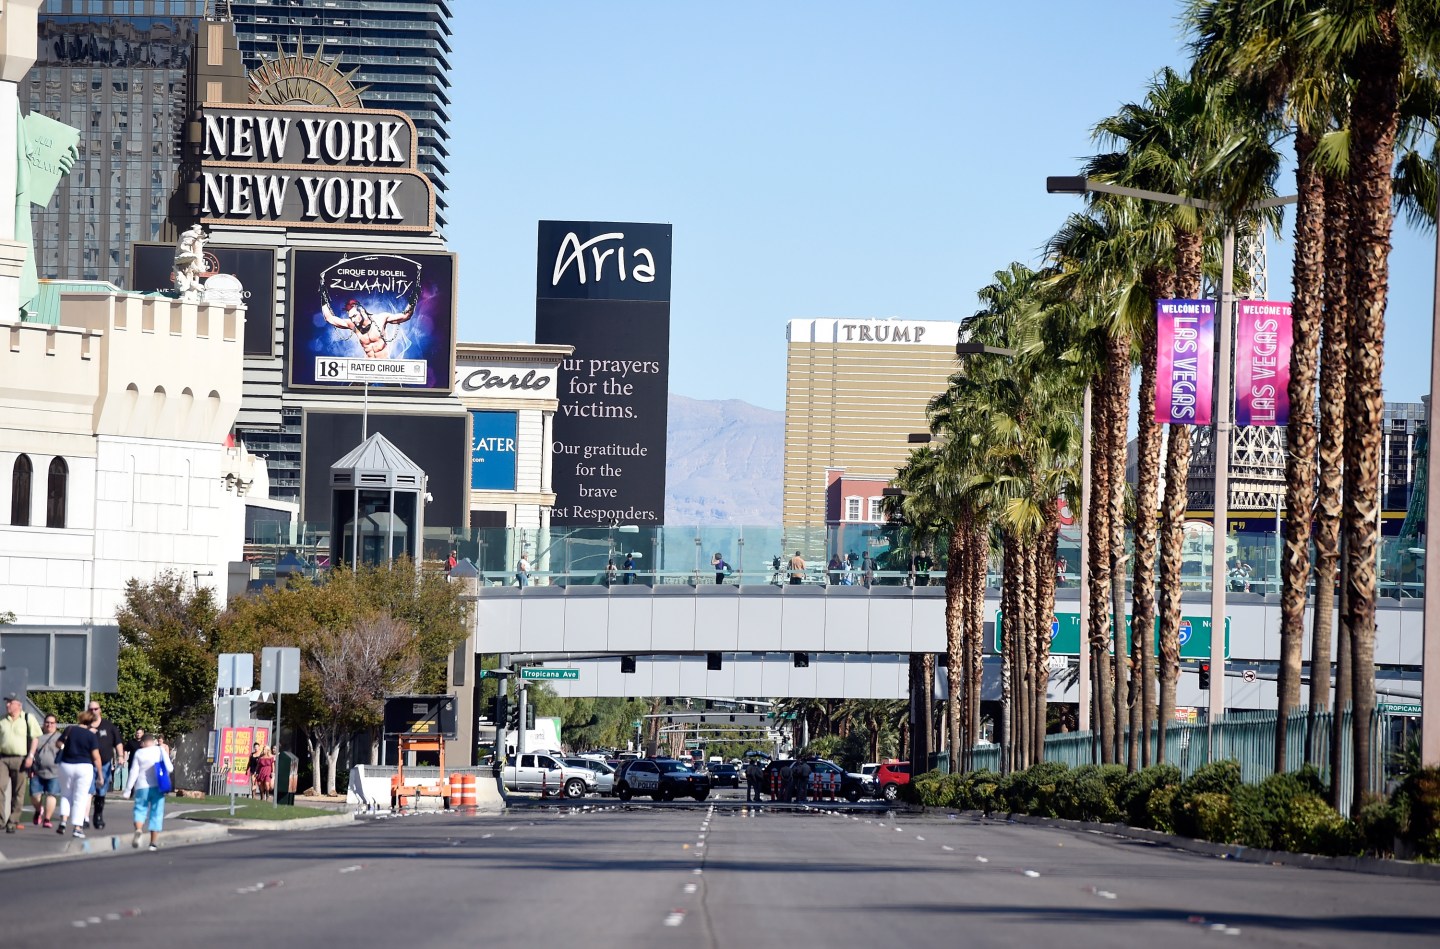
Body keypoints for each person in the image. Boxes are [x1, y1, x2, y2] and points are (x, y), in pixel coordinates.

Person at [321, 295, 415, 359]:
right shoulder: (352, 325)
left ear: (362, 311)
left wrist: (413, 300)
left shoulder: (380, 319)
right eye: (351, 317)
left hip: (384, 366)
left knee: (394, 385)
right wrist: (323, 298)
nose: (353, 320)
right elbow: (329, 318)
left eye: (354, 316)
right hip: (368, 367)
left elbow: (406, 316)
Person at [123, 732, 173, 852]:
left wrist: (128, 790)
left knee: (140, 810)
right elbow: (170, 768)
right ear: (153, 741)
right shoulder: (160, 750)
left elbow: (134, 772)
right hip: (158, 787)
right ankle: (153, 843)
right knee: (156, 813)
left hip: (141, 787)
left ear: (143, 743)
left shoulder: (139, 753)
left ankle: (138, 830)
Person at [56, 710, 102, 838]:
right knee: (80, 798)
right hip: (84, 766)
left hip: (66, 765)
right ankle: (77, 827)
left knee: (65, 794)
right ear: (91, 722)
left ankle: (63, 821)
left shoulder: (70, 729)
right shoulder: (91, 735)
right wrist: (100, 775)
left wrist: (65, 748)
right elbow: (96, 757)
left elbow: (58, 743)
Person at [0, 694, 41, 833]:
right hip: (3, 758)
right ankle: (1, 820)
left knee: (18, 791)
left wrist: (30, 756)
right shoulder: (2, 720)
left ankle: (13, 821)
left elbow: (35, 739)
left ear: (19, 705)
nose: (7, 705)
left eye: (10, 702)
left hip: (21, 758)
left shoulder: (28, 718)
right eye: (7, 702)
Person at [87, 700, 124, 830]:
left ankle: (98, 815)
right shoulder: (84, 726)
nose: (93, 711)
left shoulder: (108, 726)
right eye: (91, 709)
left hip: (104, 764)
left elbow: (118, 742)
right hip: (87, 763)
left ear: (100, 710)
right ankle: (84, 818)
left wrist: (120, 756)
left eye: (96, 709)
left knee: (101, 791)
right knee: (88, 791)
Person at [29, 713, 62, 828]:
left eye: (52, 723)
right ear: (44, 724)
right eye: (47, 722)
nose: (49, 725)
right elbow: (32, 754)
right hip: (38, 771)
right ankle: (39, 810)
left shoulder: (60, 738)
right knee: (34, 795)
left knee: (51, 795)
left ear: (56, 724)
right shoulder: (38, 738)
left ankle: (47, 819)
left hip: (55, 772)